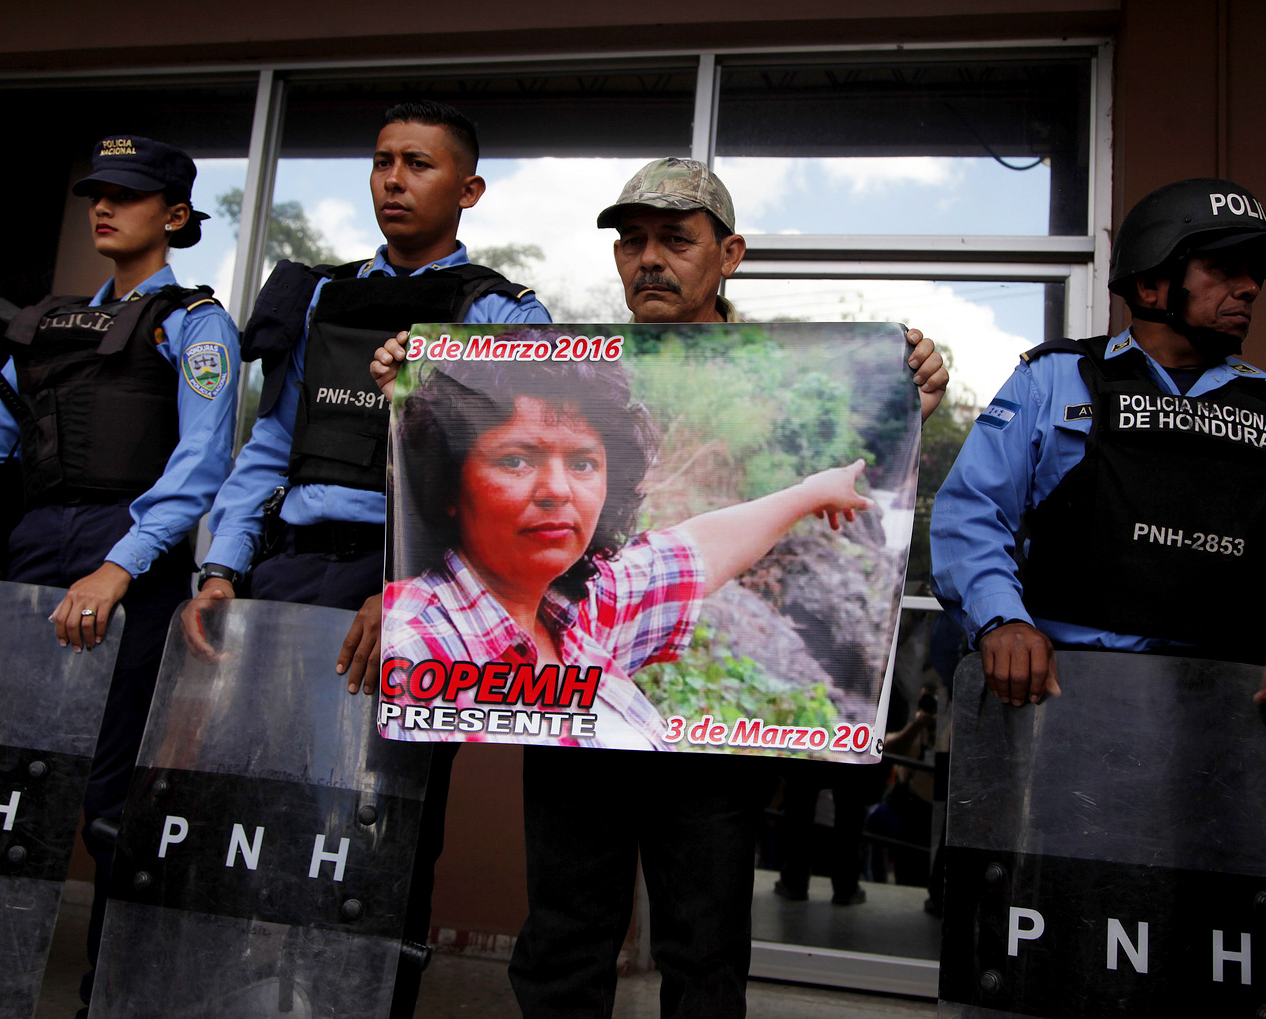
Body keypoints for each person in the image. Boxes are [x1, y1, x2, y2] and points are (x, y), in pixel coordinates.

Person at [373, 156, 948, 1019]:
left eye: (676, 240)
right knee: (564, 937)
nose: (650, 259)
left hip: (708, 747)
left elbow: (691, 550)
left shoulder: (795, 366)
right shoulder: (566, 374)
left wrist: (906, 396)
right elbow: (659, 552)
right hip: (570, 721)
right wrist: (409, 379)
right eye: (632, 241)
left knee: (704, 945)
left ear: (731, 254)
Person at [184, 99, 551, 1019]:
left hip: (405, 589)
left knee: (384, 825)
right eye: (383, 160)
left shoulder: (505, 312)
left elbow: (503, 481)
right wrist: (223, 566)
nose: (394, 178)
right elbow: (271, 443)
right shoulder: (319, 295)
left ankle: (369, 1000)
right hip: (293, 571)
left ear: (466, 189)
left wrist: (416, 590)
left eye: (418, 164)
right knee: (267, 802)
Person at [0, 135, 239, 1015]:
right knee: (14, 783)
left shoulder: (194, 322)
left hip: (129, 565)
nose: (104, 207)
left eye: (129, 194)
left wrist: (119, 566)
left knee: (113, 797)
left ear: (176, 215)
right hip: (36, 558)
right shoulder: (42, 324)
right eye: (96, 193)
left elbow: (201, 461)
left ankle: (111, 994)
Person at [931, 177, 1266, 738]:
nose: (1251, 287)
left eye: (1255, 271)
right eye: (1224, 268)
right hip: (1060, 705)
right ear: (1151, 284)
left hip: (1235, 718)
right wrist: (1001, 620)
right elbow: (971, 513)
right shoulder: (1054, 382)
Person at [381, 353, 876, 751]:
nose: (557, 490)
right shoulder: (419, 644)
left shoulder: (576, 613)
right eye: (515, 460)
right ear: (447, 482)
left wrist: (812, 492)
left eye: (582, 463)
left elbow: (692, 554)